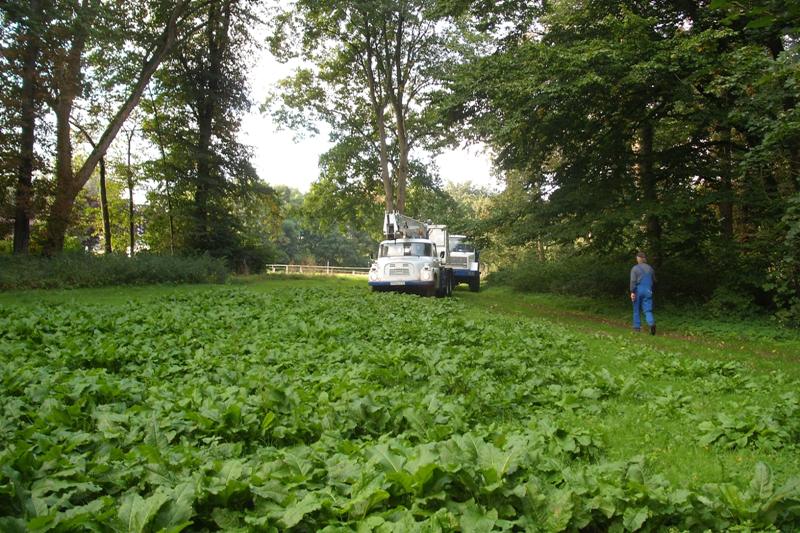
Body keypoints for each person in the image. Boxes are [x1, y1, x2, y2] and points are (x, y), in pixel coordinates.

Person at [630, 251, 656, 335]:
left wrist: (632, 292)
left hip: (638, 290)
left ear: (638, 259)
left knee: (636, 309)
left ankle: (637, 327)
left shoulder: (635, 268)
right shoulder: (650, 268)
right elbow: (654, 280)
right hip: (648, 290)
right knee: (648, 309)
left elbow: (633, 281)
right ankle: (651, 323)